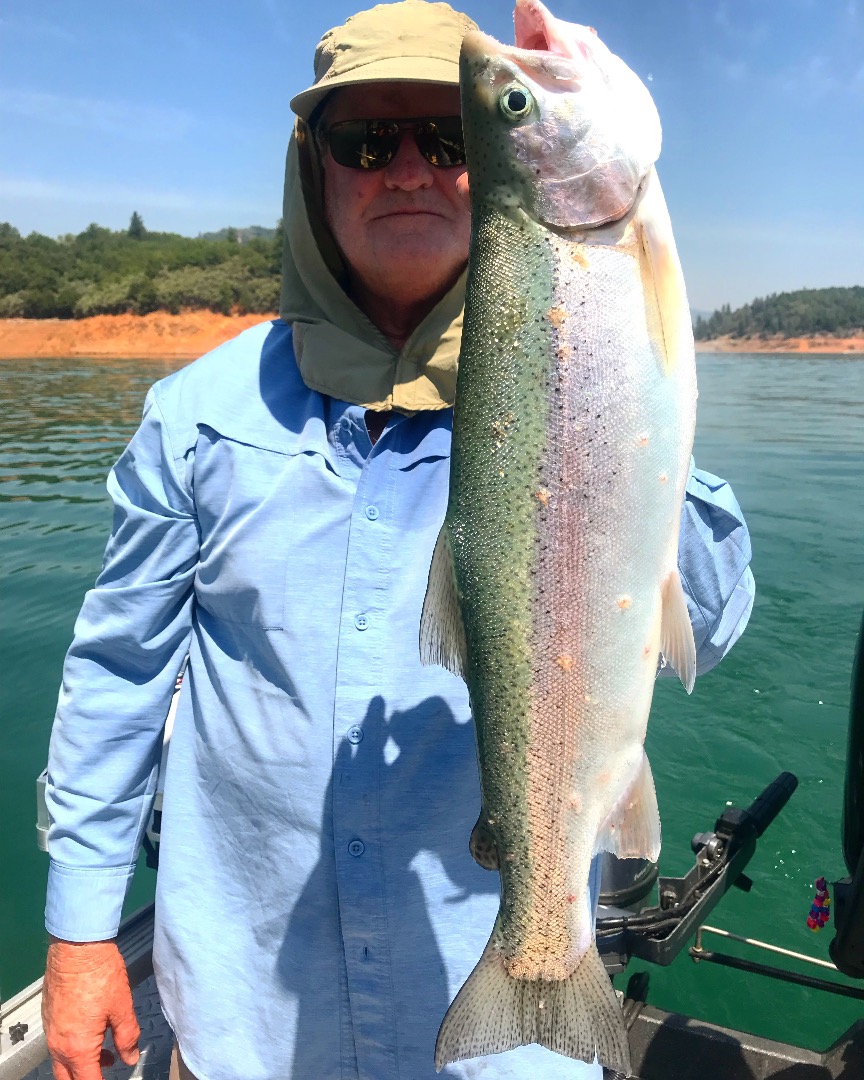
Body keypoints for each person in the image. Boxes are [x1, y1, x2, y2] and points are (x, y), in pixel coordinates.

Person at [41, 3, 756, 1079]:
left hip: (500, 1046)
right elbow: (118, 678)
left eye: (452, 140)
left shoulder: (597, 348)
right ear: (313, 171)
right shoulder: (196, 418)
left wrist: (622, 399)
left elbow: (713, 616)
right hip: (248, 1022)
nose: (411, 171)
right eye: (367, 143)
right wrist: (81, 930)